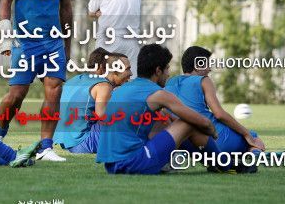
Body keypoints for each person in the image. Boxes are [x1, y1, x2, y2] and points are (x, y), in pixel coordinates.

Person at [0, 0, 73, 162]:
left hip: (53, 42)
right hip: (25, 42)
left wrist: (67, 43)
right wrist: (6, 32)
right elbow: (6, 1)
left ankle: (46, 147)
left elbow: (66, 7)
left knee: (54, 90)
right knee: (16, 95)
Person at [96, 44, 222, 175]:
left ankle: (210, 162)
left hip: (112, 166)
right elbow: (202, 122)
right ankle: (225, 163)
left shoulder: (123, 89)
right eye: (167, 68)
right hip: (133, 162)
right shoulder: (157, 94)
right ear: (158, 71)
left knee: (164, 120)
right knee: (188, 123)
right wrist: (212, 131)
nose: (168, 74)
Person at [165, 46, 265, 155]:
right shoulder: (203, 80)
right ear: (198, 65)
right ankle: (254, 152)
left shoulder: (170, 82)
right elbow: (219, 114)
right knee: (254, 138)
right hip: (216, 139)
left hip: (185, 142)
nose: (209, 69)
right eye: (207, 64)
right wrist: (247, 134)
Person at [54, 48, 131, 154]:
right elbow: (104, 117)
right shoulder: (103, 85)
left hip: (66, 143)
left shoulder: (74, 80)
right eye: (127, 69)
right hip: (83, 142)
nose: (131, 73)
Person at [88, 0, 142, 79]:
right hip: (131, 40)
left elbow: (91, 11)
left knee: (104, 80)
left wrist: (98, 13)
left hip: (109, 41)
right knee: (129, 79)